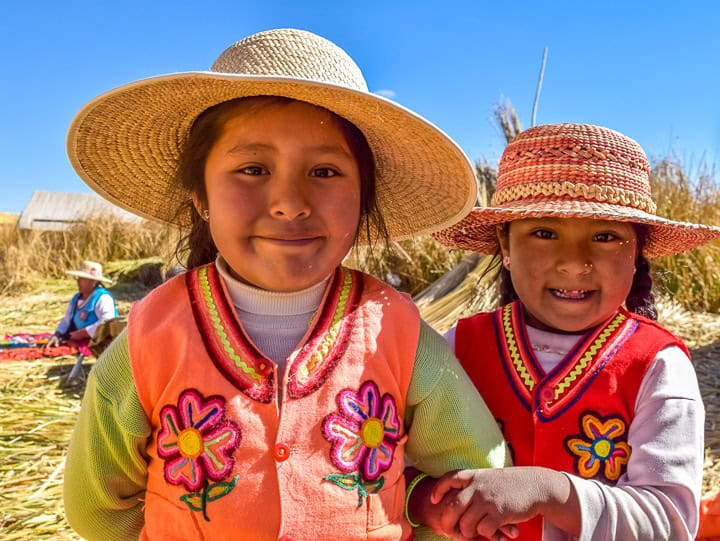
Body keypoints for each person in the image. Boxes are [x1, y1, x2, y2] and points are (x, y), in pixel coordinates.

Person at [62, 28, 509, 541]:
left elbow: (474, 481)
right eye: (252, 168)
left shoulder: (397, 333)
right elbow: (97, 507)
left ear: (363, 200)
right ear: (200, 197)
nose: (289, 203)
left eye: (324, 171)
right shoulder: (150, 338)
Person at [427, 122, 720, 540]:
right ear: (506, 246)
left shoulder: (658, 365)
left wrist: (550, 492)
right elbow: (405, 463)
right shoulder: (457, 348)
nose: (574, 262)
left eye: (605, 236)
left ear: (637, 253)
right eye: (544, 233)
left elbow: (669, 523)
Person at [45, 260, 117, 349]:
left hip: (100, 342)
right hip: (78, 339)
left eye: (82, 278)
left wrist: (84, 333)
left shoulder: (102, 298)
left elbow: (108, 320)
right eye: (78, 278)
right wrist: (58, 334)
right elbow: (66, 320)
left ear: (93, 282)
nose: (78, 281)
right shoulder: (76, 298)